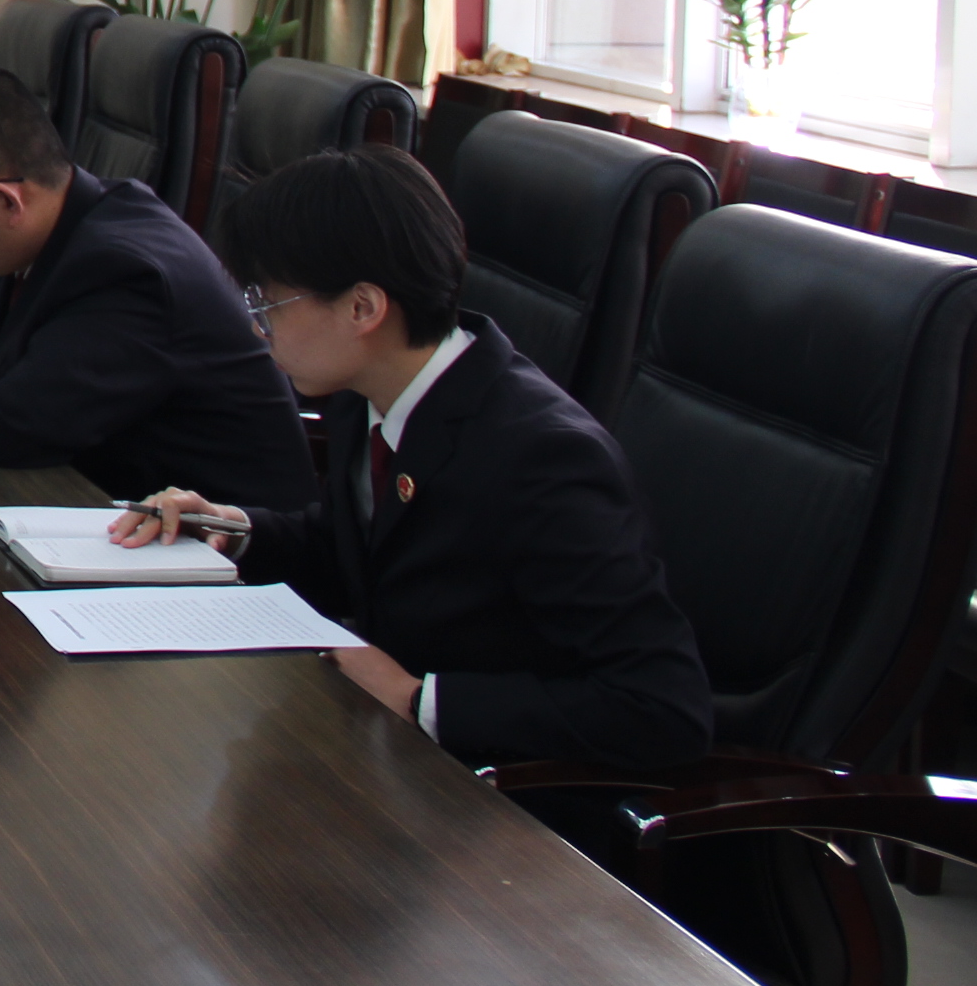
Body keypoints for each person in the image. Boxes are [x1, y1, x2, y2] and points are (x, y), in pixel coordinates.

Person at [119, 147, 710, 769]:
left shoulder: (544, 461)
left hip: (491, 794)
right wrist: (235, 530)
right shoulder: (370, 389)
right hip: (381, 746)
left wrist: (420, 699)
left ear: (363, 308)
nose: (256, 330)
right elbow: (366, 554)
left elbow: (663, 711)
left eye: (266, 308)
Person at [0, 63, 314, 508]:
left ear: (7, 201)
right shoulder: (65, 222)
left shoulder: (124, 270)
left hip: (221, 552)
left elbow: (23, 423)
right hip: (114, 510)